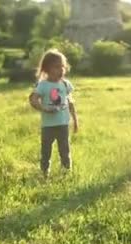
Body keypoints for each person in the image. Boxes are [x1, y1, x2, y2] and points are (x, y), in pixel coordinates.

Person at [28, 49, 79, 177]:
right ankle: (44, 173)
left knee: (65, 151)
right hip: (48, 126)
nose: (61, 70)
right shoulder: (43, 85)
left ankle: (66, 173)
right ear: (46, 69)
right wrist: (44, 109)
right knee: (46, 152)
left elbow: (70, 103)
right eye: (57, 67)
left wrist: (75, 121)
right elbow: (33, 99)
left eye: (63, 66)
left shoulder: (65, 84)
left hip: (63, 125)